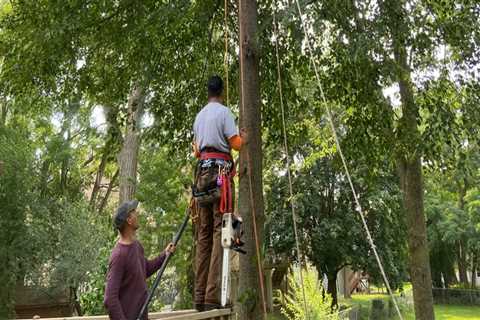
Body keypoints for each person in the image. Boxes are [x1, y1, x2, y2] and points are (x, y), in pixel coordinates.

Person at [192, 75, 247, 311]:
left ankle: (199, 295)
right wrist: (244, 137)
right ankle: (212, 296)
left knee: (203, 235)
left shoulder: (199, 116)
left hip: (202, 176)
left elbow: (196, 150)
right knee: (218, 232)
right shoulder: (224, 113)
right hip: (220, 176)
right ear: (222, 92)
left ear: (208, 92)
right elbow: (235, 144)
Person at [104, 200, 175, 320]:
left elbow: (145, 270)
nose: (138, 214)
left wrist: (165, 255)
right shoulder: (119, 256)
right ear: (129, 220)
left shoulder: (137, 246)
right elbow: (110, 299)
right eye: (134, 212)